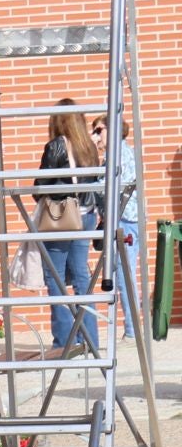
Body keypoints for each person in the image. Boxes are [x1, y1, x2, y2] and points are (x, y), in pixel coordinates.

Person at [34, 101, 101, 352]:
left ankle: (65, 340)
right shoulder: (88, 146)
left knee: (55, 277)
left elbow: (41, 183)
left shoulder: (56, 146)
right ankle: (89, 338)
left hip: (62, 218)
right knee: (82, 277)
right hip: (86, 216)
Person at [94, 115, 140, 338]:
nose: (95, 135)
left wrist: (89, 183)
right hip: (122, 218)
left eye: (99, 130)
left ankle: (132, 331)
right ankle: (130, 329)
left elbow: (111, 186)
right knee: (121, 274)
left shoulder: (118, 153)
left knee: (124, 275)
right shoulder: (114, 153)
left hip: (124, 219)